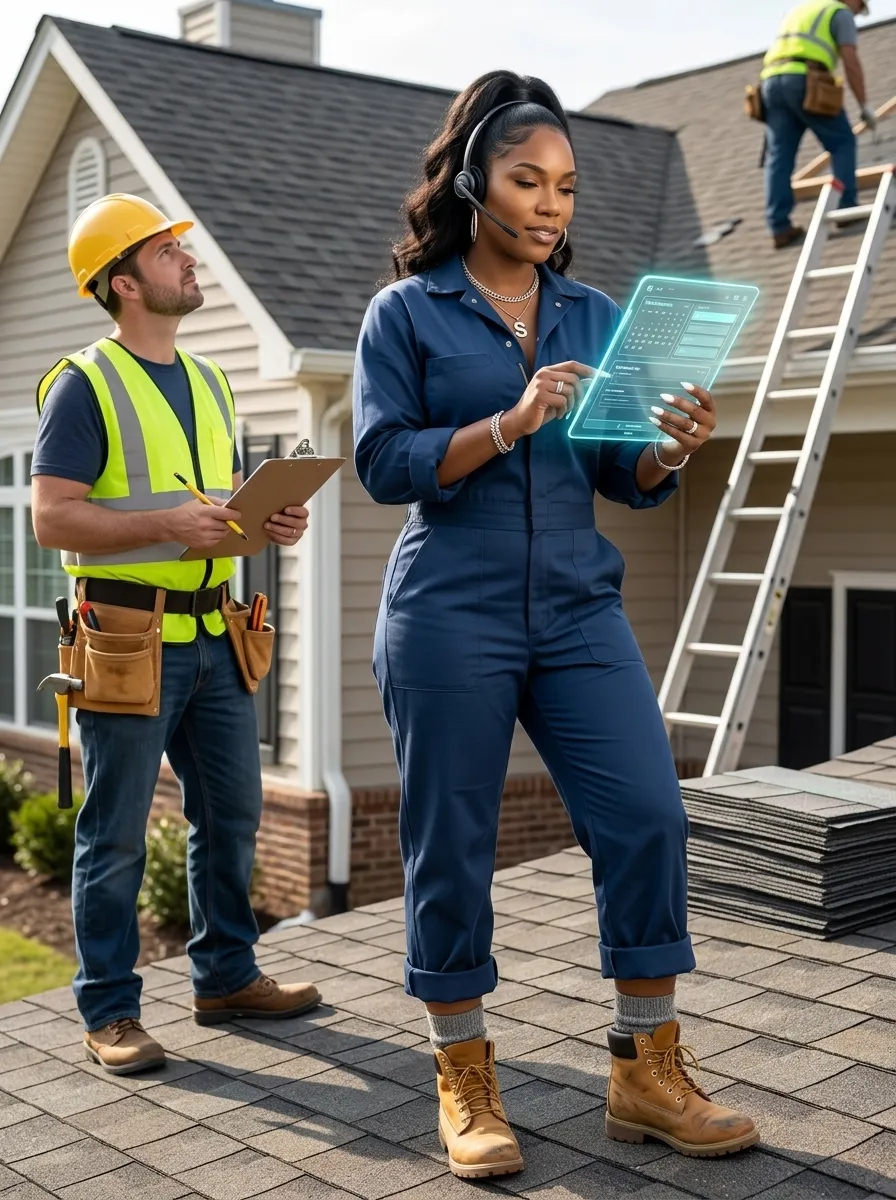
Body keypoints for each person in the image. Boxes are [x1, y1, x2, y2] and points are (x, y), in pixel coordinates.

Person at [353, 71, 760, 1178]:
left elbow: (619, 472)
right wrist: (508, 417)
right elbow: (384, 462)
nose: (548, 205)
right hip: (449, 607)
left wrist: (665, 447)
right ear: (473, 182)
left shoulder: (591, 314)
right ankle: (463, 1077)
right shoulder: (408, 311)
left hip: (577, 604)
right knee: (451, 849)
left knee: (646, 816)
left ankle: (643, 1067)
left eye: (566, 189)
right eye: (527, 181)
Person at [31, 193, 322, 1074]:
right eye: (167, 254)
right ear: (124, 283)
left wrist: (263, 520)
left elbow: (214, 504)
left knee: (231, 815)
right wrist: (170, 527)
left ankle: (226, 975)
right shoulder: (85, 384)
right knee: (113, 832)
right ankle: (111, 1011)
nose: (188, 262)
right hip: (125, 635)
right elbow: (52, 518)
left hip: (216, 635)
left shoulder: (209, 379)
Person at [760, 0, 876, 249]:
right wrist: (864, 105)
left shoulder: (801, 9)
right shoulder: (839, 13)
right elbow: (850, 60)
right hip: (805, 79)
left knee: (778, 155)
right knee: (842, 141)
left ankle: (779, 227)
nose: (857, 13)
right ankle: (846, 207)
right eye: (860, 7)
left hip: (771, 82)